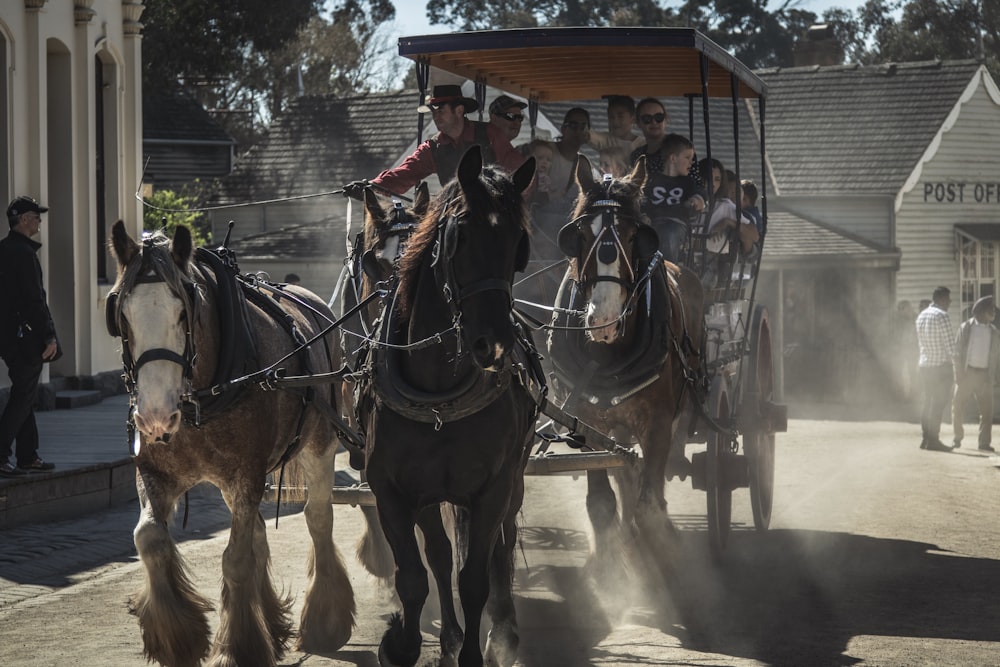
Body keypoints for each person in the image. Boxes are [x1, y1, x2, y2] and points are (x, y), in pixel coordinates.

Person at [355, 84, 524, 197]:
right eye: (433, 111)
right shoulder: (433, 148)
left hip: (492, 211)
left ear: (458, 110)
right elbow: (405, 173)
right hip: (454, 215)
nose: (435, 116)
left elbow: (516, 170)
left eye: (440, 110)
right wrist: (372, 187)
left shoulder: (489, 134)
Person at [0, 196, 59, 477]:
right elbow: (34, 300)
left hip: (7, 336)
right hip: (24, 337)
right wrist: (49, 336)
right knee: (23, 395)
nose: (39, 221)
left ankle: (27, 455)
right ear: (24, 219)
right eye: (36, 216)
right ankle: (1, 455)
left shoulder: (4, 249)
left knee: (26, 392)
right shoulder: (24, 254)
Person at [640, 133, 706, 263]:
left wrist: (696, 201)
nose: (691, 163)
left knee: (668, 234)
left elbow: (699, 196)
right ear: (673, 158)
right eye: (687, 158)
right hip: (652, 223)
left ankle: (667, 273)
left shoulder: (688, 183)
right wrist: (642, 215)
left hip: (676, 224)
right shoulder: (651, 180)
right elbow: (643, 201)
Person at [951, 295, 1000, 452]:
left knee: (987, 411)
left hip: (985, 376)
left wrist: (995, 378)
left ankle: (984, 443)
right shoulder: (966, 328)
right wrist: (958, 373)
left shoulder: (994, 332)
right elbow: (957, 353)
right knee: (957, 406)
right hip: (967, 374)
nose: (993, 312)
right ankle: (957, 438)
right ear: (981, 311)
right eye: (990, 309)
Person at [915, 286, 956, 452]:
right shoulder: (942, 316)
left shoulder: (921, 315)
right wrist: (957, 364)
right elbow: (950, 346)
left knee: (928, 401)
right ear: (941, 299)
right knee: (938, 403)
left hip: (925, 365)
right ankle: (934, 439)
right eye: (948, 299)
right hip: (940, 367)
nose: (950, 303)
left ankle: (925, 438)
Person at [629, 97, 671, 174]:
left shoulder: (680, 149)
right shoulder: (637, 156)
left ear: (665, 119)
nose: (654, 122)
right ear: (638, 123)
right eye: (647, 118)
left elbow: (694, 184)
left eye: (658, 117)